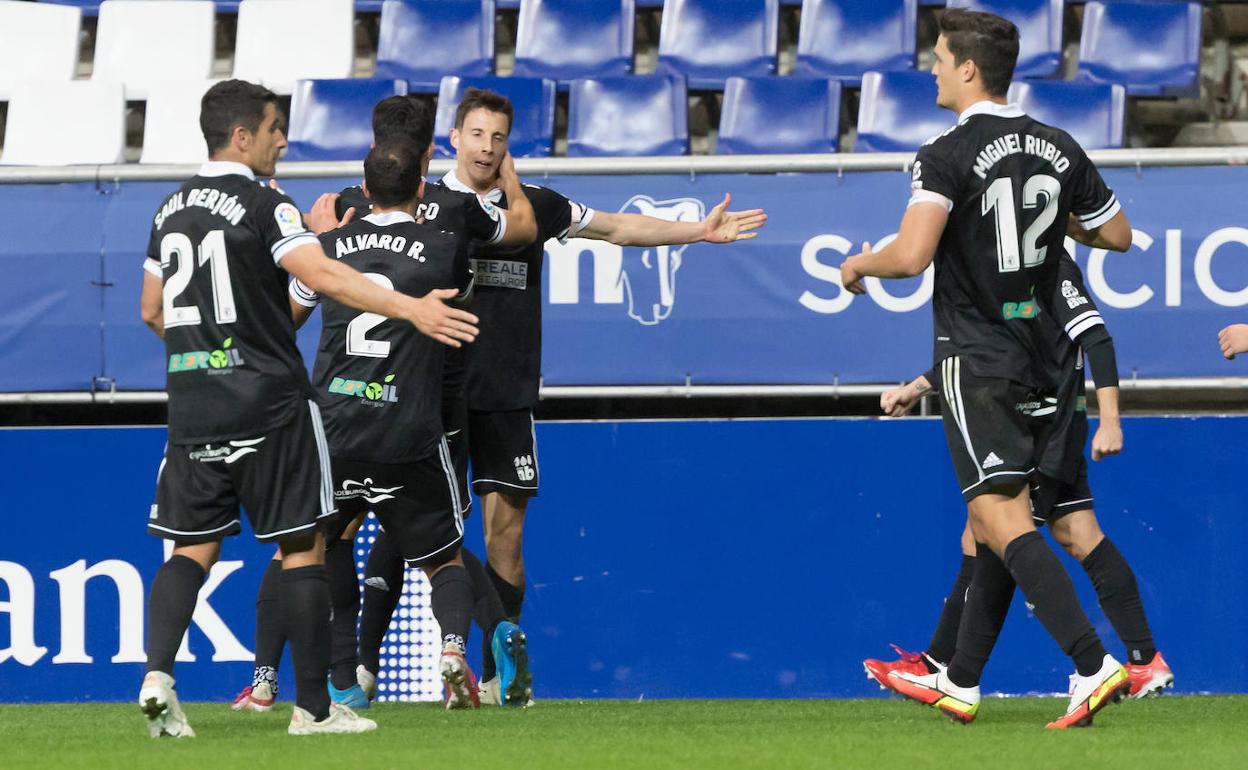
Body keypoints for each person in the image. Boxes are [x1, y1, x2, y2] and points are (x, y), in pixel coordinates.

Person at [354, 88, 768, 705]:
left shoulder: (538, 206)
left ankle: (499, 676)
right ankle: (361, 671)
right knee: (411, 526)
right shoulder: (427, 206)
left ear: (507, 144)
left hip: (506, 391)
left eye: (498, 137)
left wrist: (697, 232)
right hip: (434, 392)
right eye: (477, 135)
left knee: (507, 535)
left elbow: (619, 227)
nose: (487, 148)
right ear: (453, 141)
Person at [138, 79, 477, 737]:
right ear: (242, 137)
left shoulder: (169, 208)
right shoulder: (267, 203)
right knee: (302, 548)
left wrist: (207, 355)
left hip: (193, 405)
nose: (283, 139)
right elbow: (320, 276)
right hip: (270, 404)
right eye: (273, 128)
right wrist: (413, 308)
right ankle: (314, 711)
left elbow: (152, 311)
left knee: (190, 549)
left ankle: (158, 679)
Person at [837, 9, 1134, 728]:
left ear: (968, 69)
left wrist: (858, 265)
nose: (932, 69)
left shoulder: (945, 152)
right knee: (988, 520)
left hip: (979, 358)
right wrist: (1053, 214)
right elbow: (1118, 234)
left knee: (1000, 514)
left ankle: (1093, 663)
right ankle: (959, 678)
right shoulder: (1058, 145)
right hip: (1043, 357)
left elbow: (909, 258)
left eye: (939, 58)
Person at [230, 95, 535, 712]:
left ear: (364, 178)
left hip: (334, 427)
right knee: (444, 556)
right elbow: (517, 231)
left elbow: (285, 318)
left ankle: (283, 682)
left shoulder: (330, 245)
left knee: (303, 549)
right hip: (409, 426)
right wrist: (508, 175)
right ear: (425, 171)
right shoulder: (448, 235)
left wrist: (319, 243)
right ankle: (454, 650)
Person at [864, 253, 1172, 705]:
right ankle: (1144, 662)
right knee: (1077, 533)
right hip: (1046, 427)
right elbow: (994, 352)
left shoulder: (1053, 269)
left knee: (996, 535)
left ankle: (950, 671)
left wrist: (1111, 421)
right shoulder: (1015, 269)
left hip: (1048, 433)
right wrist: (913, 390)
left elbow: (1097, 339)